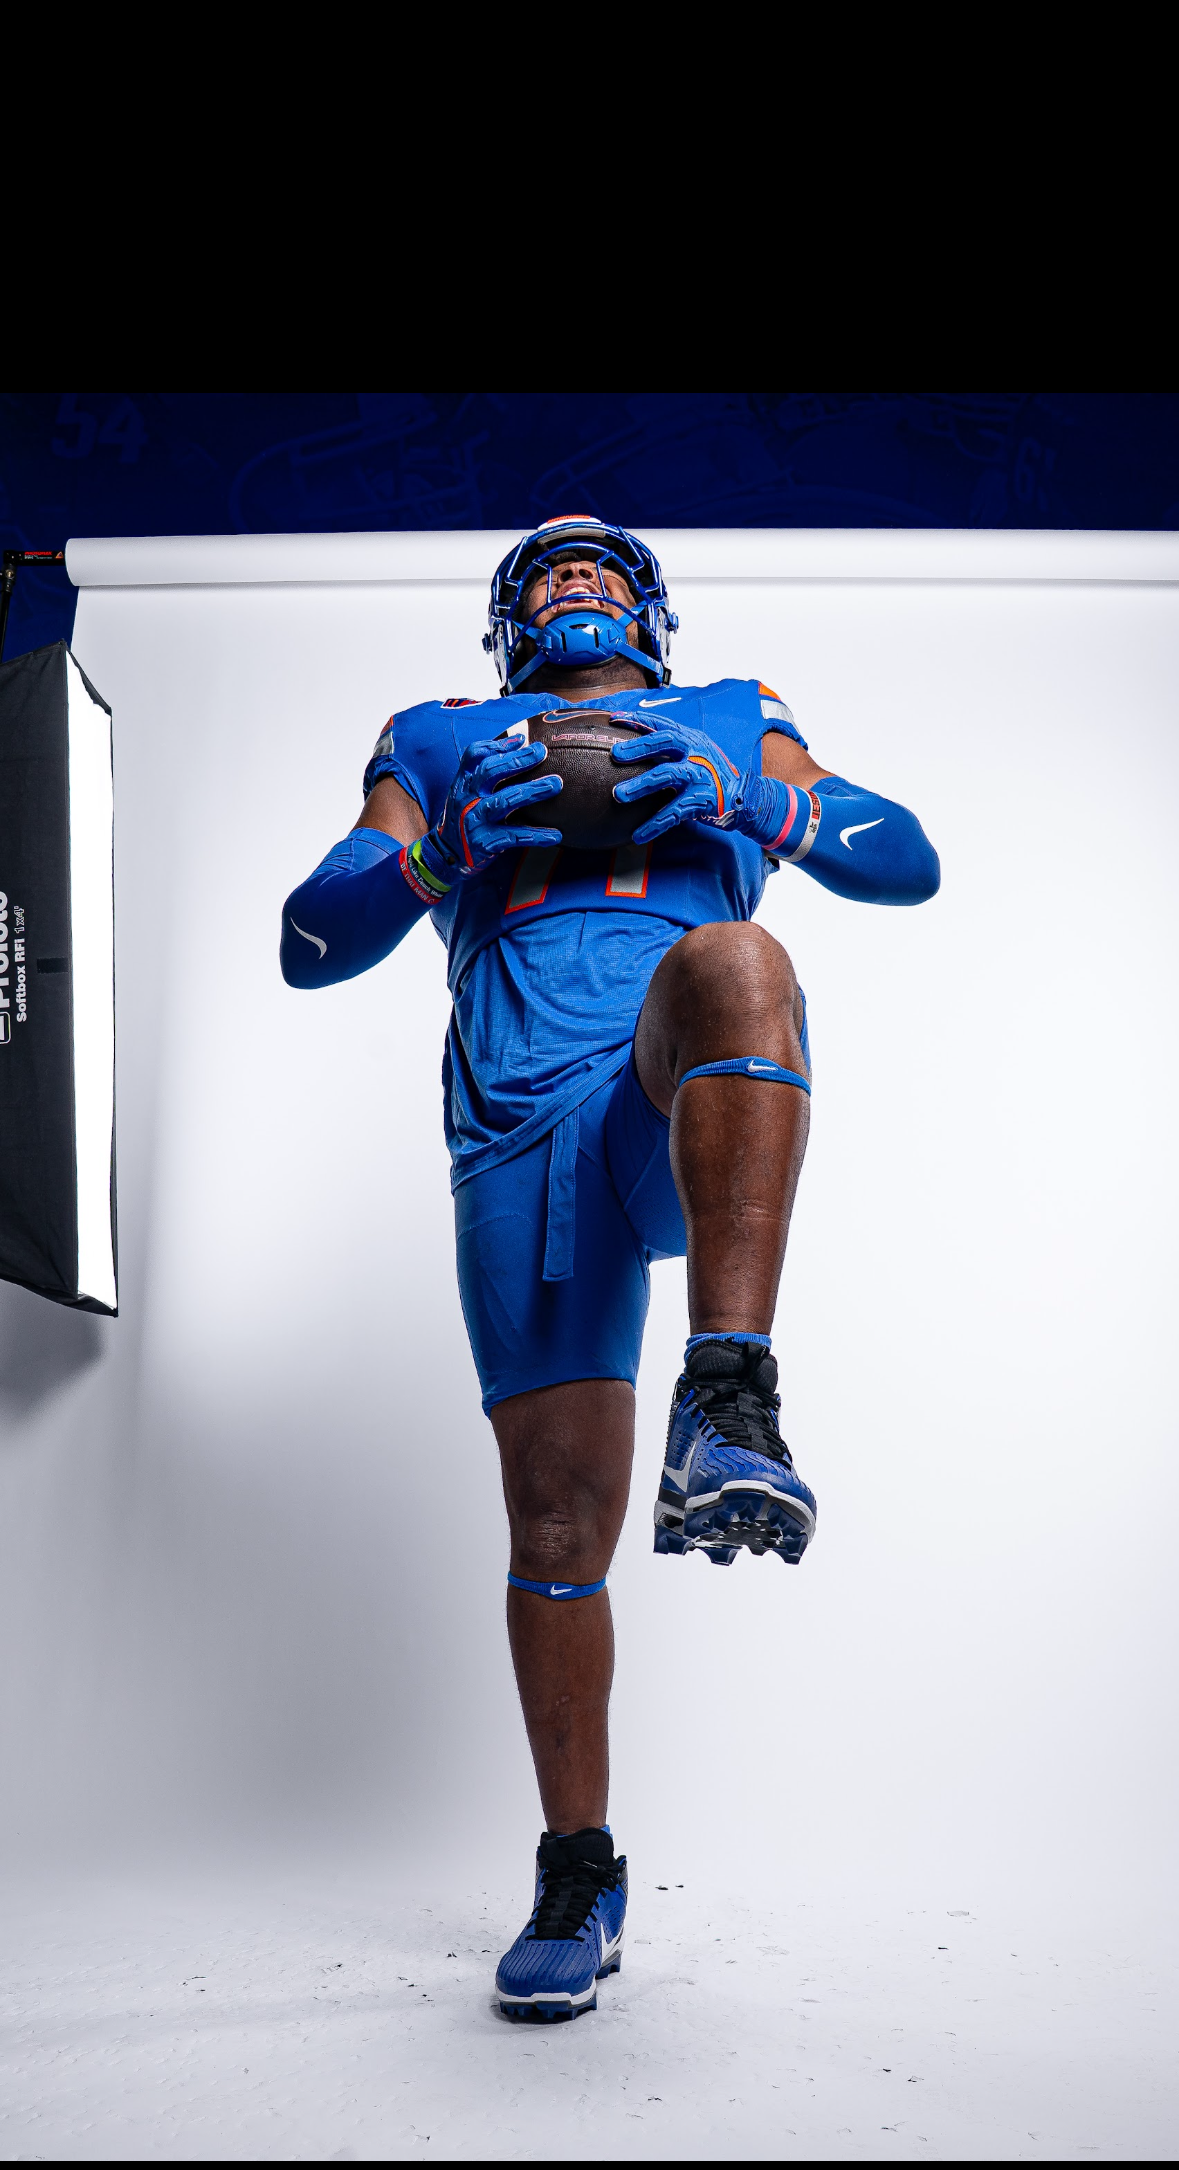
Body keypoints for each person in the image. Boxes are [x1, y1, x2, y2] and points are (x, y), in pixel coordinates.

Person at [280, 517, 940, 2021]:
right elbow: (308, 941)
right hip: (515, 1125)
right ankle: (578, 1866)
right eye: (544, 570)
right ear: (507, 622)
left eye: (606, 568)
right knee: (556, 1511)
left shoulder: (731, 717)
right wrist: (437, 851)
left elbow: (905, 861)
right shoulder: (440, 737)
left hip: (672, 1092)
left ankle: (730, 1393)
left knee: (736, 966)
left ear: (653, 614)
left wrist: (754, 807)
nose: (577, 574)